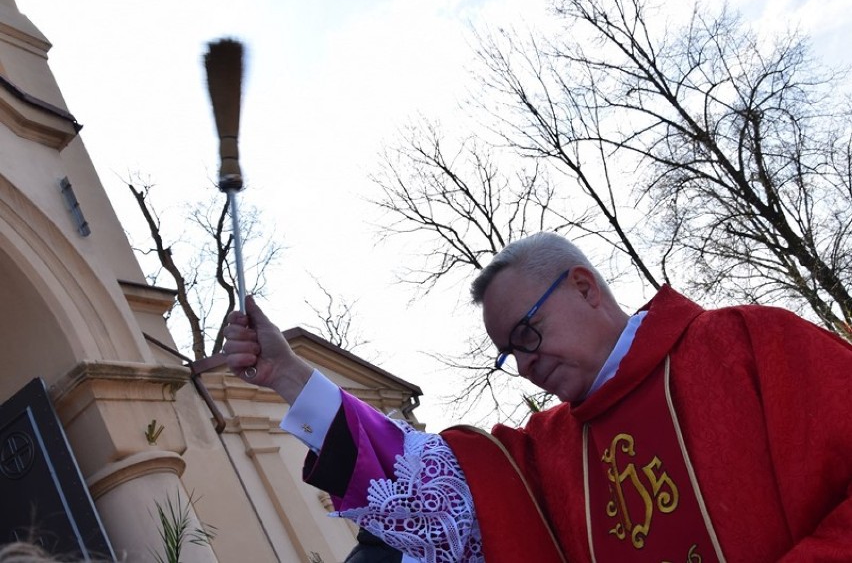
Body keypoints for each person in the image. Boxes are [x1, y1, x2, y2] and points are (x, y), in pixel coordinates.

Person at [223, 232, 852, 562]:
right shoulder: (548, 455)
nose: (524, 366)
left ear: (585, 288)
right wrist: (287, 375)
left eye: (528, 334)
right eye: (510, 353)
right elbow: (424, 484)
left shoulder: (747, 344)